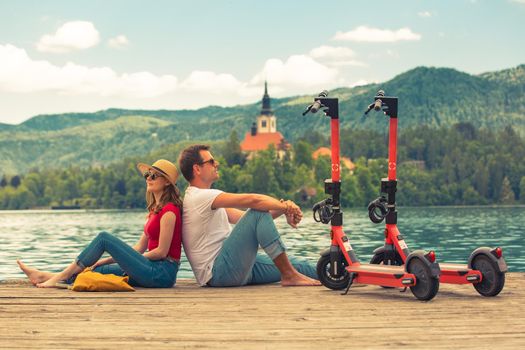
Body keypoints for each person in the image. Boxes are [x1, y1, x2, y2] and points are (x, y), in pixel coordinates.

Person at [17, 159, 183, 289]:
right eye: (147, 174)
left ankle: (58, 278)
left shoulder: (169, 211)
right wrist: (106, 261)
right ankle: (43, 276)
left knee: (104, 238)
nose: (148, 178)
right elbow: (139, 248)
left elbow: (161, 252)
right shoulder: (154, 211)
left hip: (161, 273)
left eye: (154, 176)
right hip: (148, 267)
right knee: (93, 271)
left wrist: (124, 259)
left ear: (167, 182)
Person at [178, 144, 320, 287]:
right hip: (219, 272)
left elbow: (250, 221)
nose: (217, 164)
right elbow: (254, 202)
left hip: (236, 266)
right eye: (211, 161)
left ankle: (338, 271)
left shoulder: (206, 201)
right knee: (258, 209)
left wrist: (283, 210)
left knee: (302, 266)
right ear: (197, 169)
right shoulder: (199, 197)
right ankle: (289, 275)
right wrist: (285, 205)